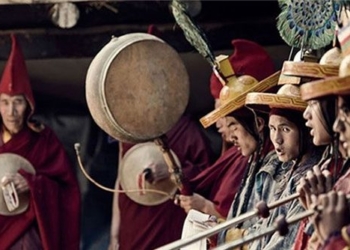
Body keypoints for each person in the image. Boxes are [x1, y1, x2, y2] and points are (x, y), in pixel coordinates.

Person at [176, 39, 276, 220]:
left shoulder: (271, 161)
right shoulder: (250, 154)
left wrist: (204, 206)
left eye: (231, 123)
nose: (219, 125)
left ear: (259, 123)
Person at [0, 35, 81, 249]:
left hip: (28, 233)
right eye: (4, 102)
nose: (11, 112)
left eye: (17, 102)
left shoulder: (44, 140)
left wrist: (34, 184)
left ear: (28, 105)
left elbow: (67, 189)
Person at [108, 112, 214, 250]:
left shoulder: (184, 128)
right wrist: (114, 233)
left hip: (168, 218)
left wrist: (172, 170)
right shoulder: (127, 128)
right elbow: (121, 178)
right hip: (133, 220)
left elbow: (206, 174)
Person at [239, 84, 323, 250]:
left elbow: (282, 243)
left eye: (285, 129)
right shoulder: (288, 168)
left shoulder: (309, 178)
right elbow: (264, 227)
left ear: (305, 131)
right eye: (272, 129)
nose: (276, 139)